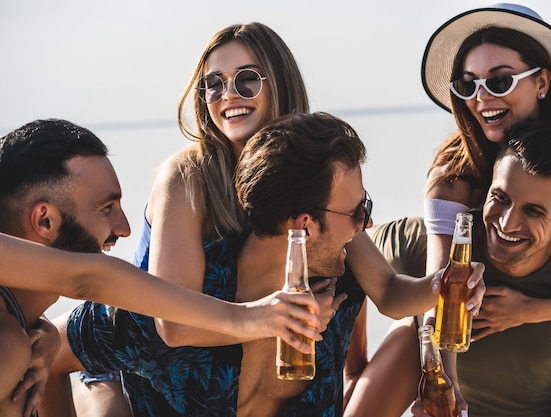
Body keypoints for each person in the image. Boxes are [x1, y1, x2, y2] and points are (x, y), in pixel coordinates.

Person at [40, 112, 485, 417]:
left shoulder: (341, 290)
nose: (365, 223)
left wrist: (445, 285)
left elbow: (395, 295)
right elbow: (45, 352)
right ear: (304, 225)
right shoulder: (166, 305)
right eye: (357, 210)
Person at [344, 4, 551, 417]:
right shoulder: (452, 177)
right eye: (468, 84)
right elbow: (441, 289)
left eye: (500, 81)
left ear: (542, 81)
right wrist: (446, 386)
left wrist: (532, 311)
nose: (482, 98)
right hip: (450, 310)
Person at [65, 22, 342, 417]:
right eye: (214, 84)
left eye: (247, 80)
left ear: (280, 83)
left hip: (203, 373)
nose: (228, 95)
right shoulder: (187, 177)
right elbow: (173, 325)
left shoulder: (307, 179)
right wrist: (281, 319)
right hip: (129, 364)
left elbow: (364, 267)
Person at [0, 118, 322, 417]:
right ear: (45, 220)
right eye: (106, 207)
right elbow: (95, 278)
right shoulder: (11, 345)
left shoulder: (27, 338)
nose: (125, 228)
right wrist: (255, 317)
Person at [410, 120, 551, 415]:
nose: (507, 223)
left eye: (534, 210)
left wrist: (530, 311)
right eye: (500, 198)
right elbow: (357, 248)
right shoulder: (428, 240)